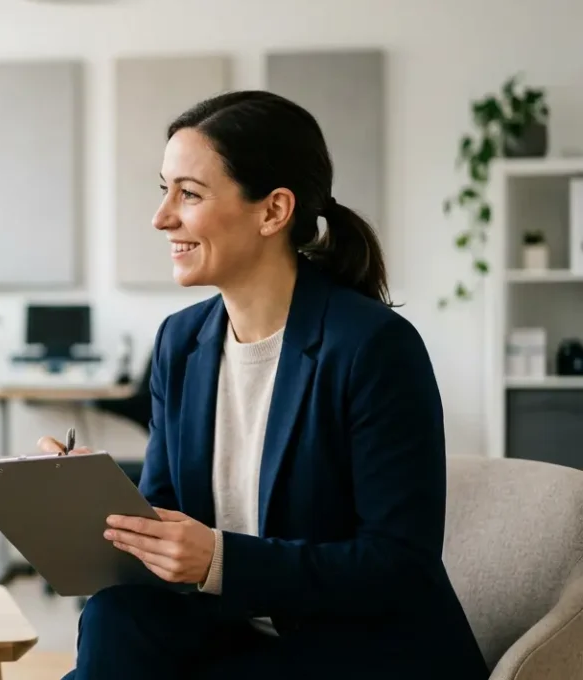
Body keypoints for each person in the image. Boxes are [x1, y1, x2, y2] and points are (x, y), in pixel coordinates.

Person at [40, 91, 489, 679]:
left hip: (359, 647)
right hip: (233, 630)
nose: (162, 217)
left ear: (273, 211)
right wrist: (98, 501)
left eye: (189, 194)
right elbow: (167, 518)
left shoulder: (374, 347)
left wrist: (221, 560)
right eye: (164, 189)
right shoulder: (180, 341)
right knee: (113, 616)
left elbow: (398, 565)